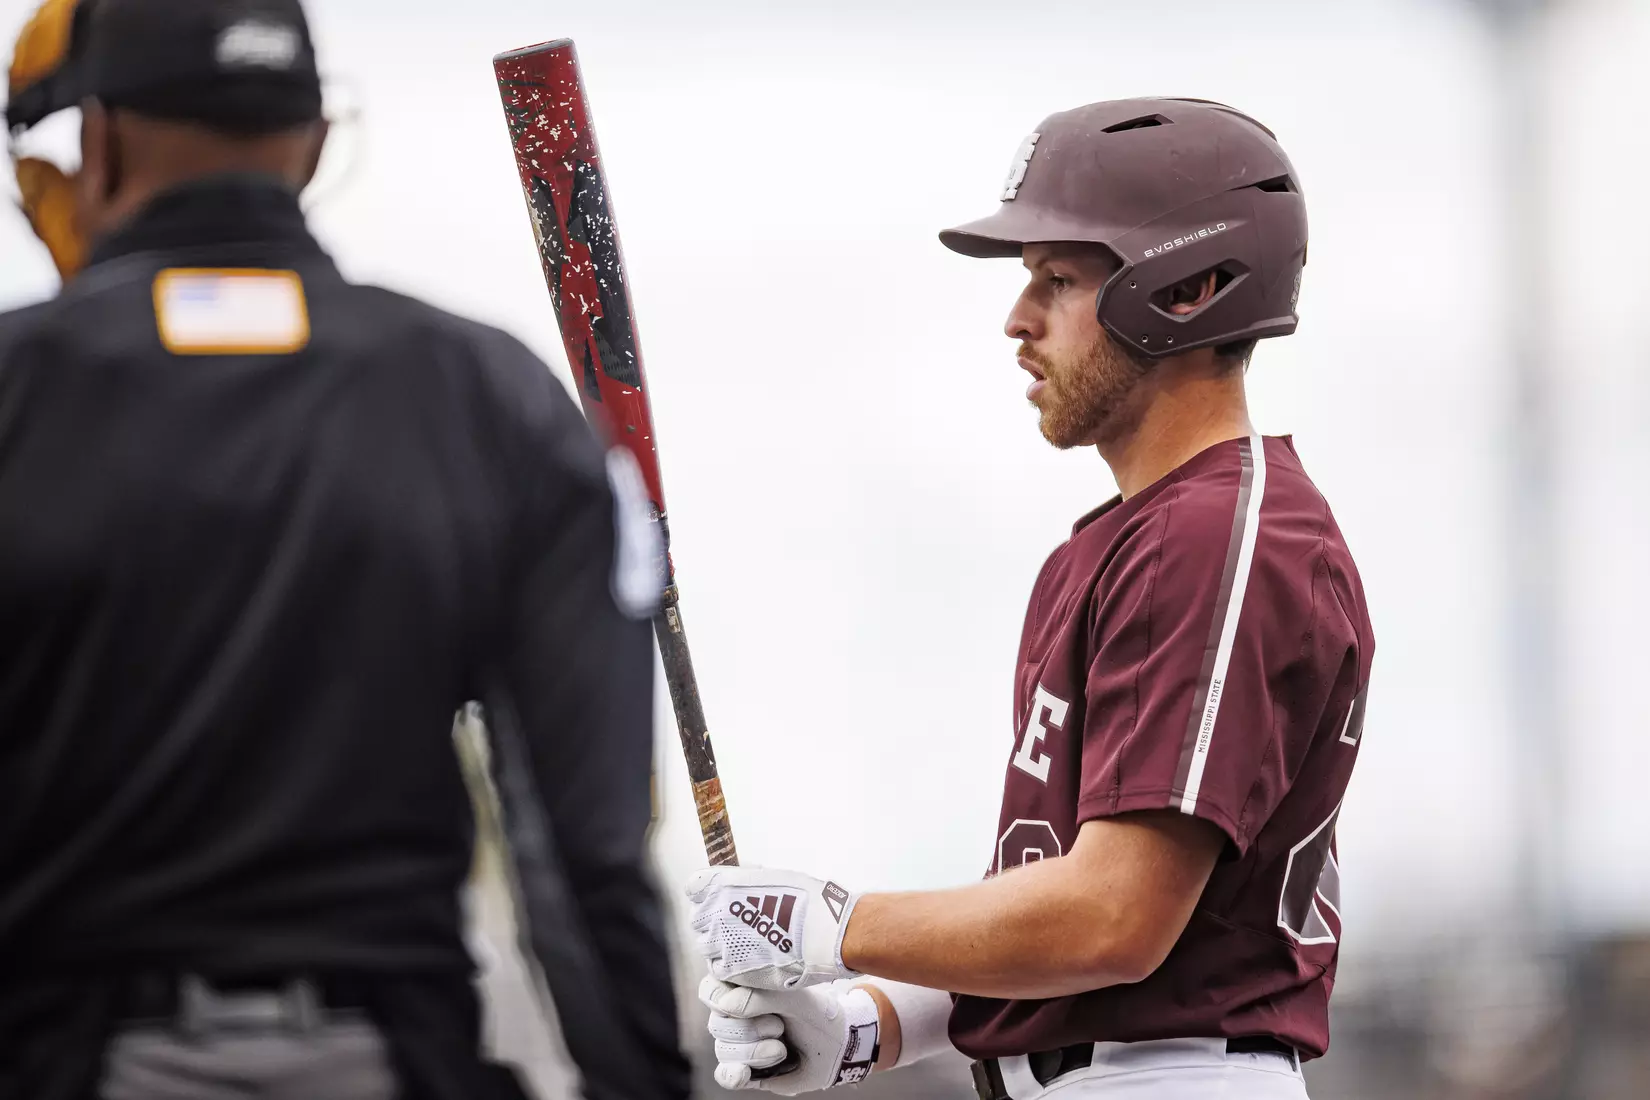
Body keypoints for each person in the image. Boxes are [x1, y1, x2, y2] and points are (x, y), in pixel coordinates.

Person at [0, 2, 690, 1099]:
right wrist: (646, 1079)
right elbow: (575, 846)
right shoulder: (486, 396)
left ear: (100, 139)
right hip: (387, 1058)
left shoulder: (19, 390)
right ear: (315, 141)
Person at [684, 98, 1375, 1100]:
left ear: (1188, 288)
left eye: (1056, 280)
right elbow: (1058, 905)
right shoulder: (1127, 541)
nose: (1017, 319)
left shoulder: (1220, 533)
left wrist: (830, 923)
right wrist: (870, 1022)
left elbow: (1113, 918)